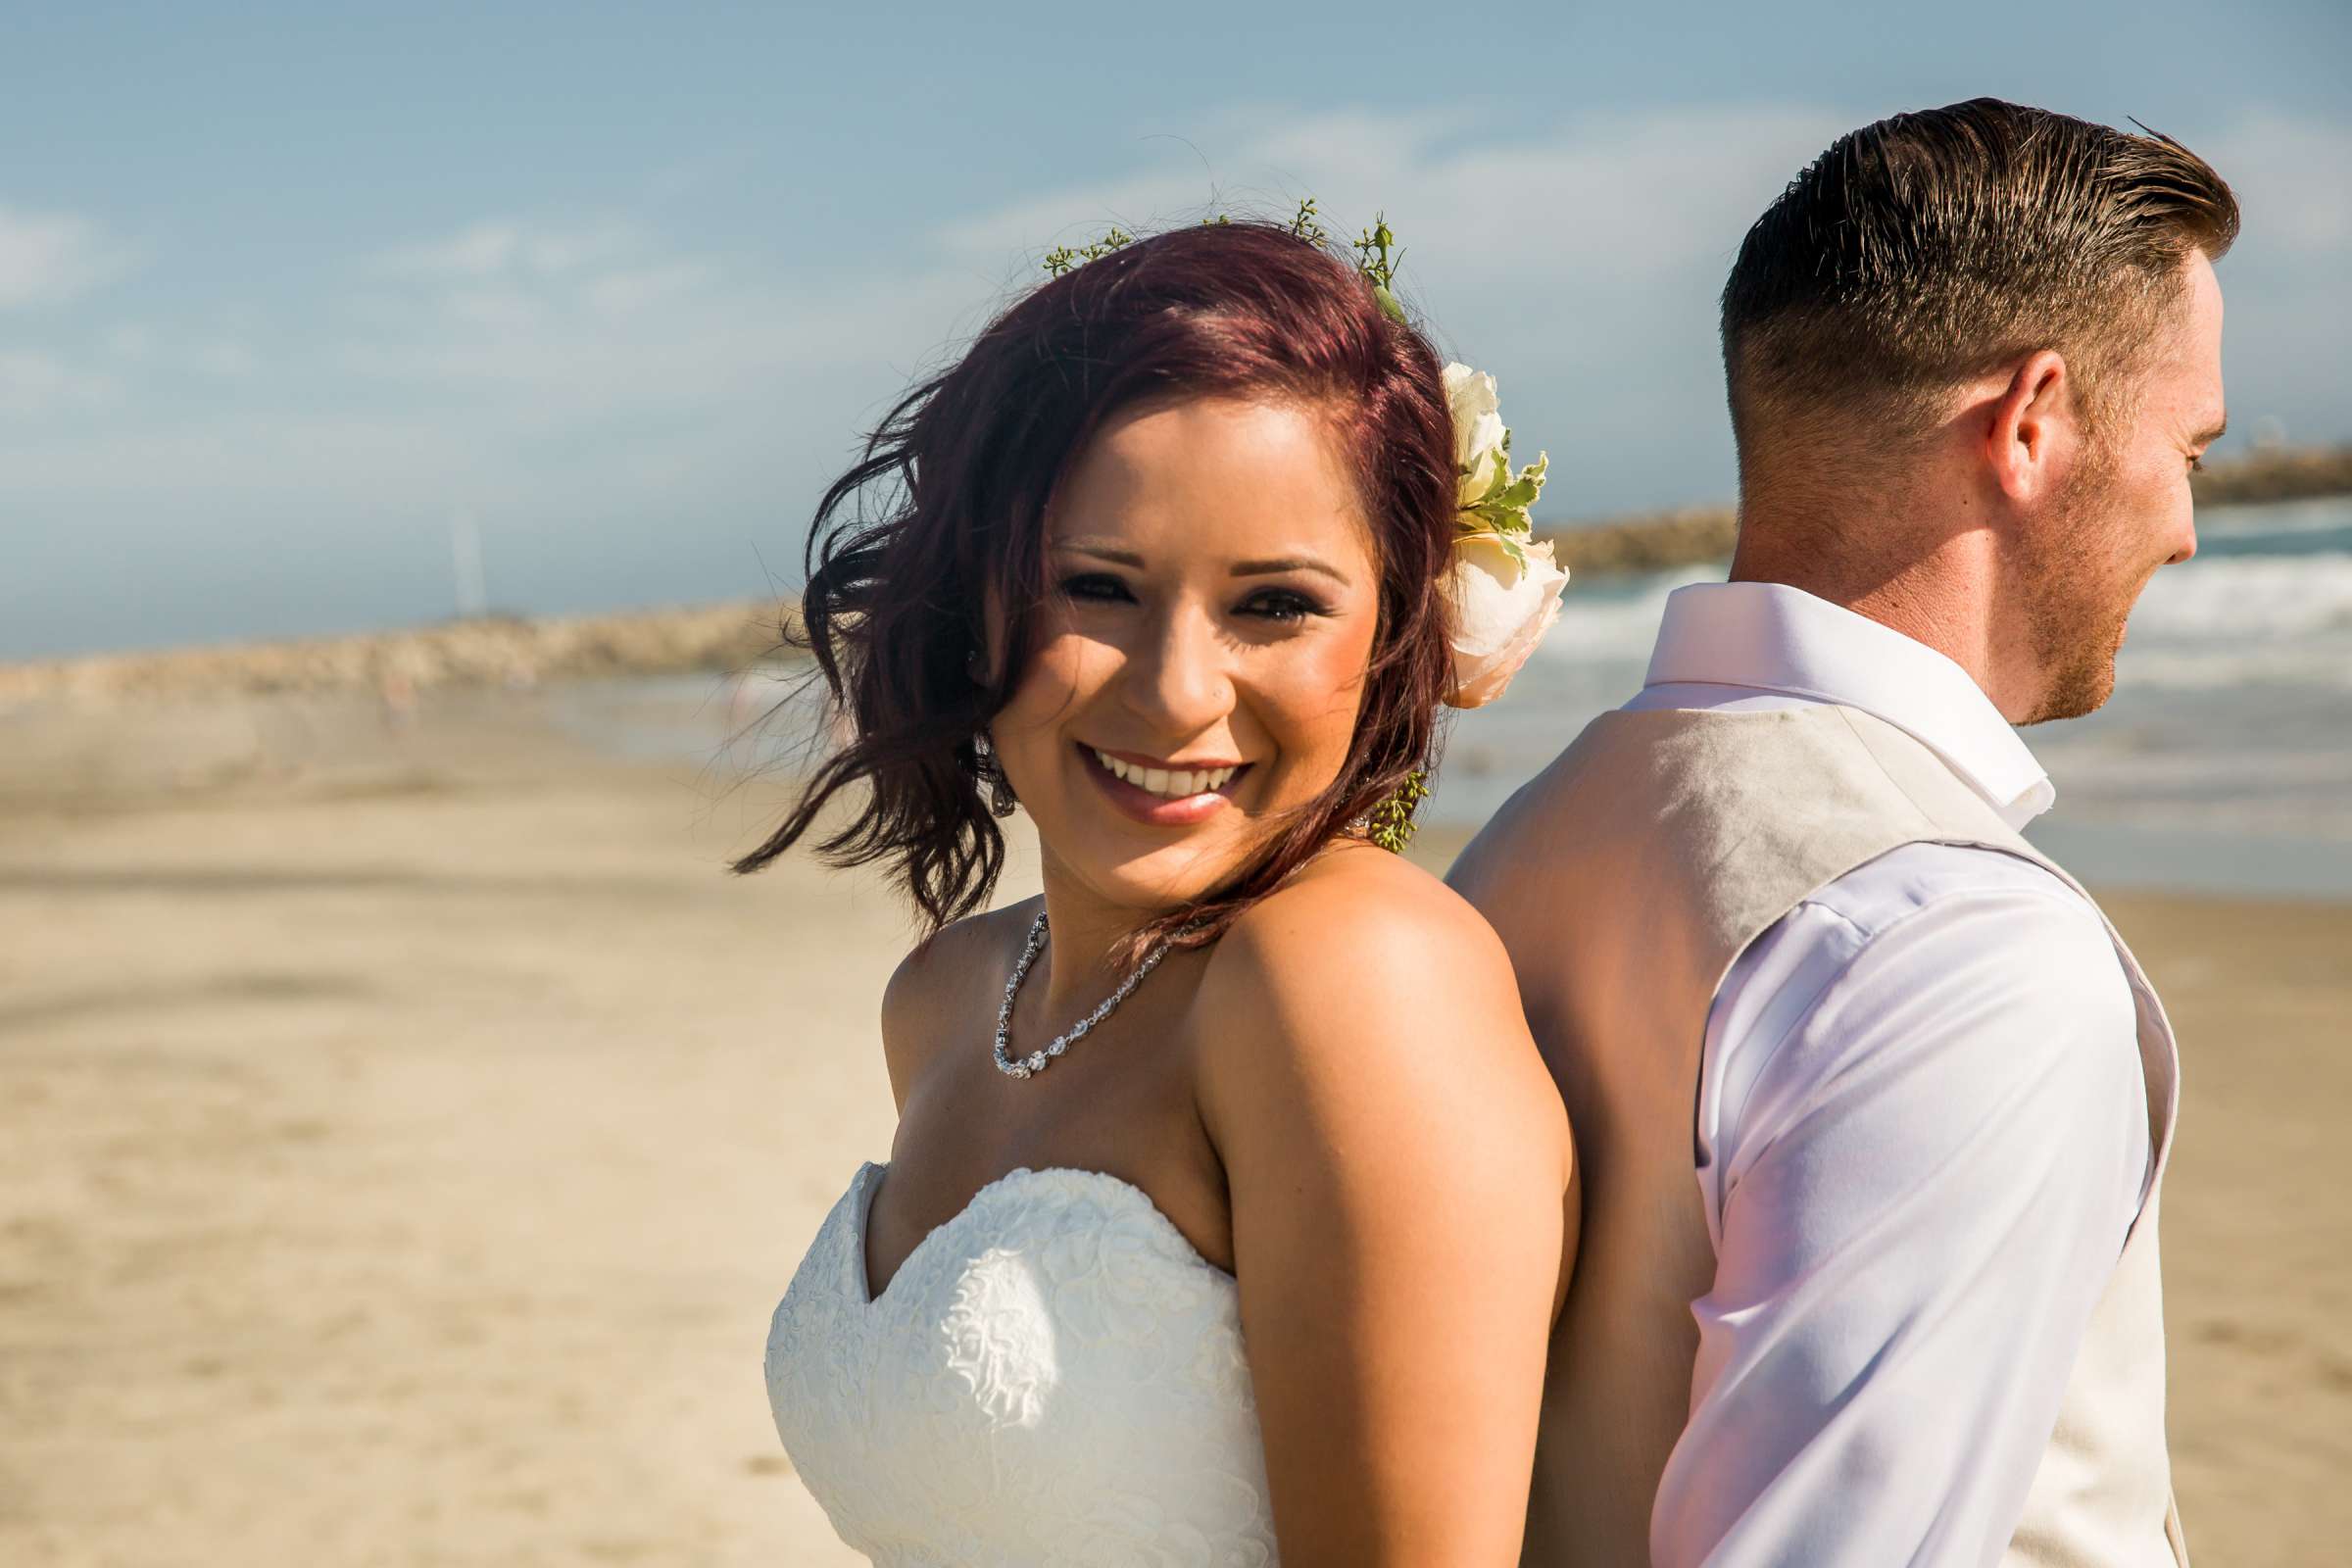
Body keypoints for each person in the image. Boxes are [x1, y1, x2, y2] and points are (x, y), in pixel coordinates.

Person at [1450, 98, 2236, 1566]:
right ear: (2032, 425)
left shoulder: (1524, 844)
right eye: (2190, 447)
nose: (2188, 525)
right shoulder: (1961, 952)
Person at [749, 215, 1578, 1564]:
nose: (1178, 691)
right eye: (1098, 587)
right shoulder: (951, 997)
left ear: (1394, 634)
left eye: (1275, 606)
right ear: (976, 598)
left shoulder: (1354, 982)